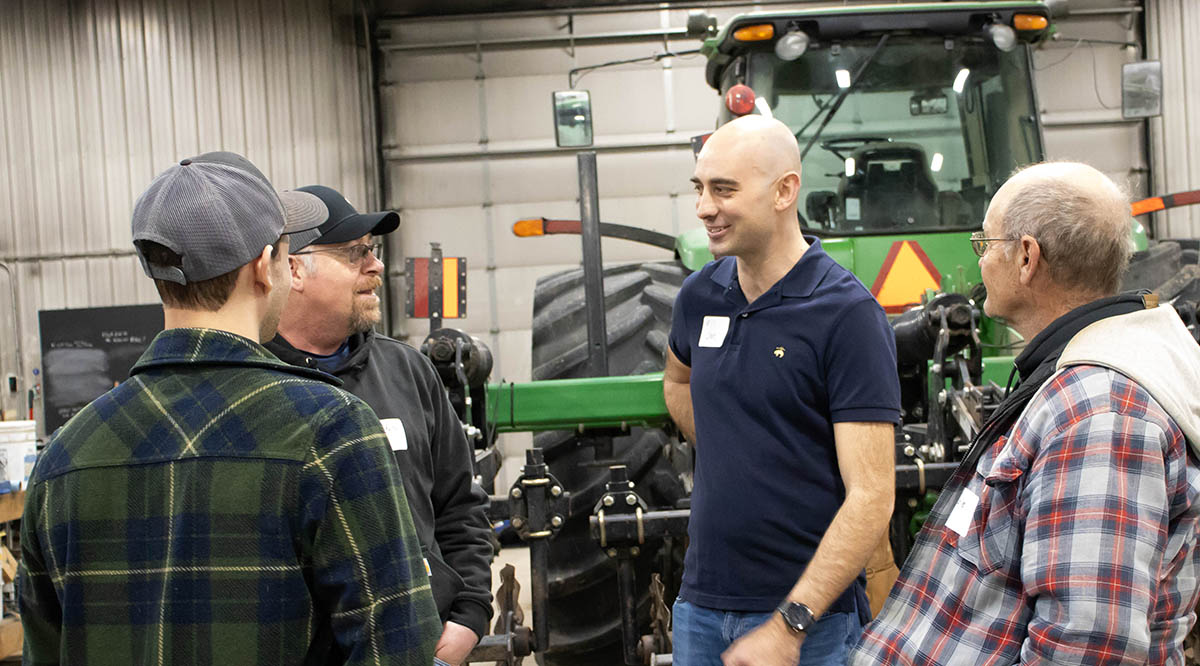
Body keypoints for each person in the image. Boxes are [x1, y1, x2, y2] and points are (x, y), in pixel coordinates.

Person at [17, 152, 441, 665]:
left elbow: (44, 649)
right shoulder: (333, 431)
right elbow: (397, 648)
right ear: (266, 267)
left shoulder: (64, 456)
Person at [851, 162, 1200, 664]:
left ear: (1027, 257)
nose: (980, 262)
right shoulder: (1076, 386)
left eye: (985, 244)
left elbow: (1087, 648)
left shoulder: (1097, 414)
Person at [663, 115, 900, 666]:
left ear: (784, 191)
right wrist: (732, 447)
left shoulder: (846, 315)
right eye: (700, 188)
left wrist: (791, 625)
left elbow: (872, 497)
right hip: (700, 606)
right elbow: (677, 380)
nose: (704, 207)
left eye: (724, 189)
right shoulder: (700, 295)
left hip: (807, 624)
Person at [266, 185, 493, 666]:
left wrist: (469, 616)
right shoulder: (254, 383)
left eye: (372, 250)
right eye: (354, 253)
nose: (373, 266)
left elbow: (460, 507)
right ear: (293, 269)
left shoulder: (408, 370)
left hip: (424, 647)